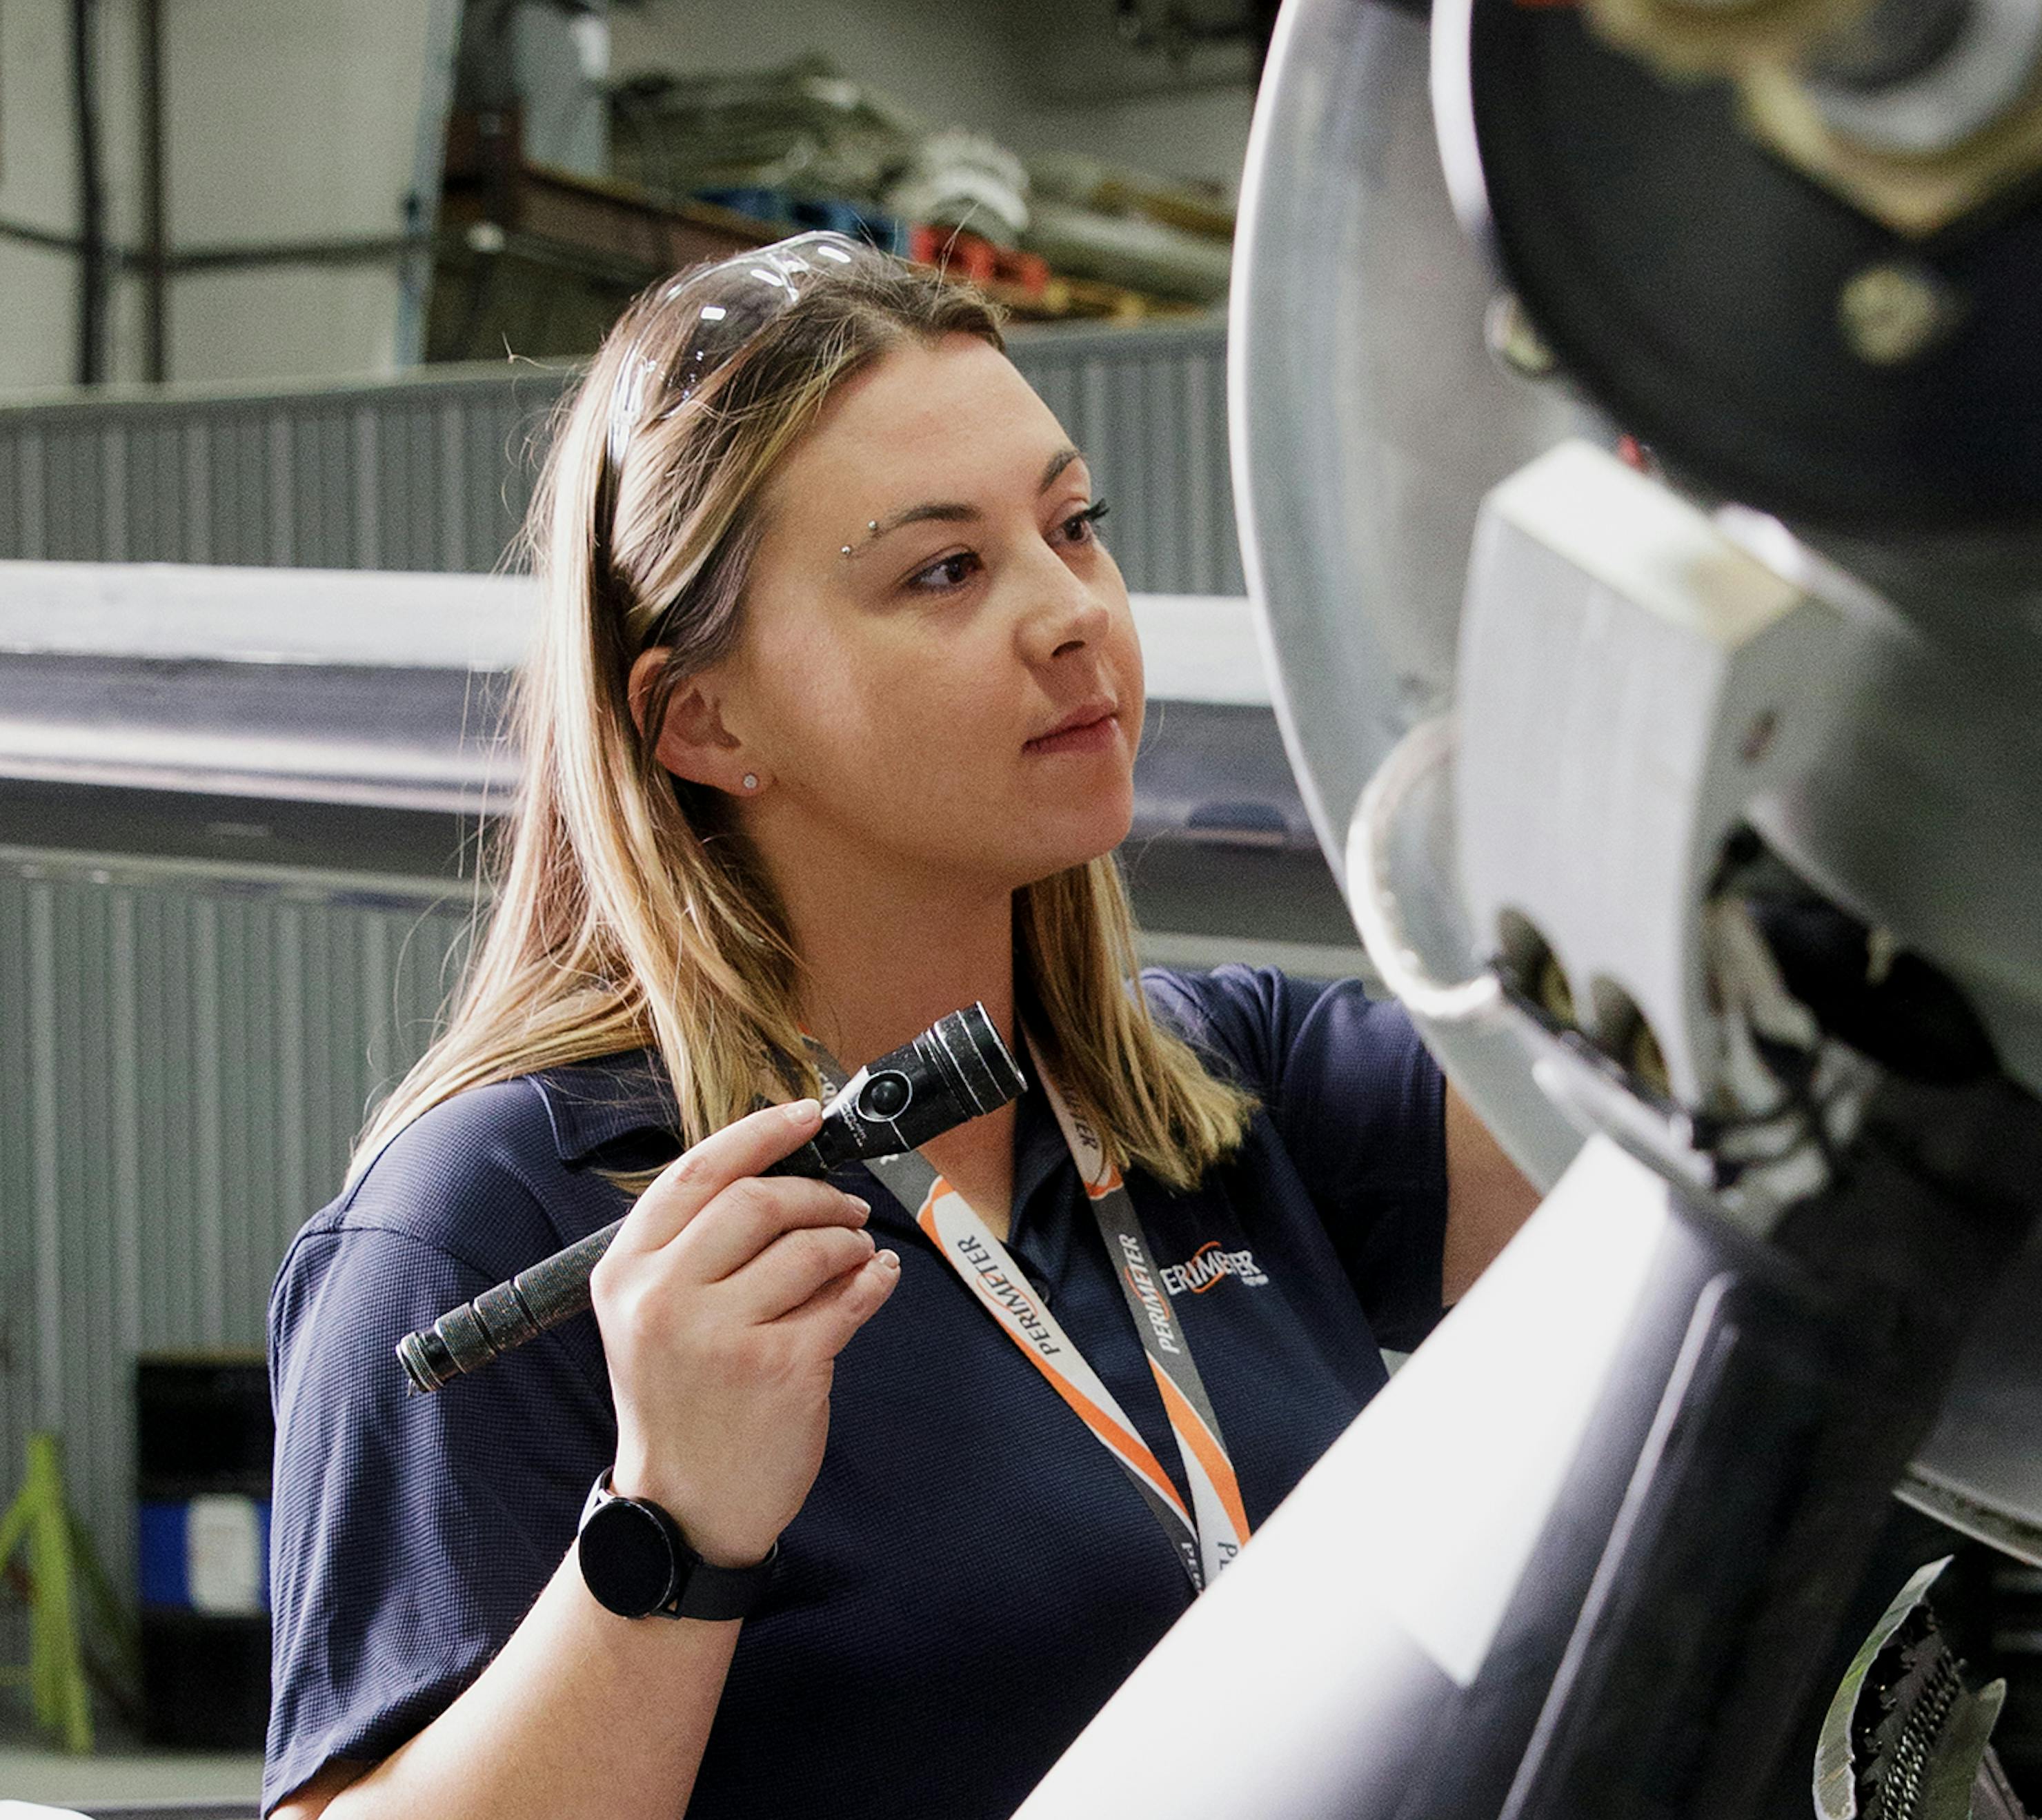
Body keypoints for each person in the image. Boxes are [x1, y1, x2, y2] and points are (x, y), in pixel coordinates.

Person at [264, 233, 1540, 1820]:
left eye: (1075, 527)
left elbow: (1722, 1154)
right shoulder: (496, 1221)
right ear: (705, 721)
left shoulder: (1220, 1091)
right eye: (944, 570)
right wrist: (672, 1529)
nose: (1071, 610)